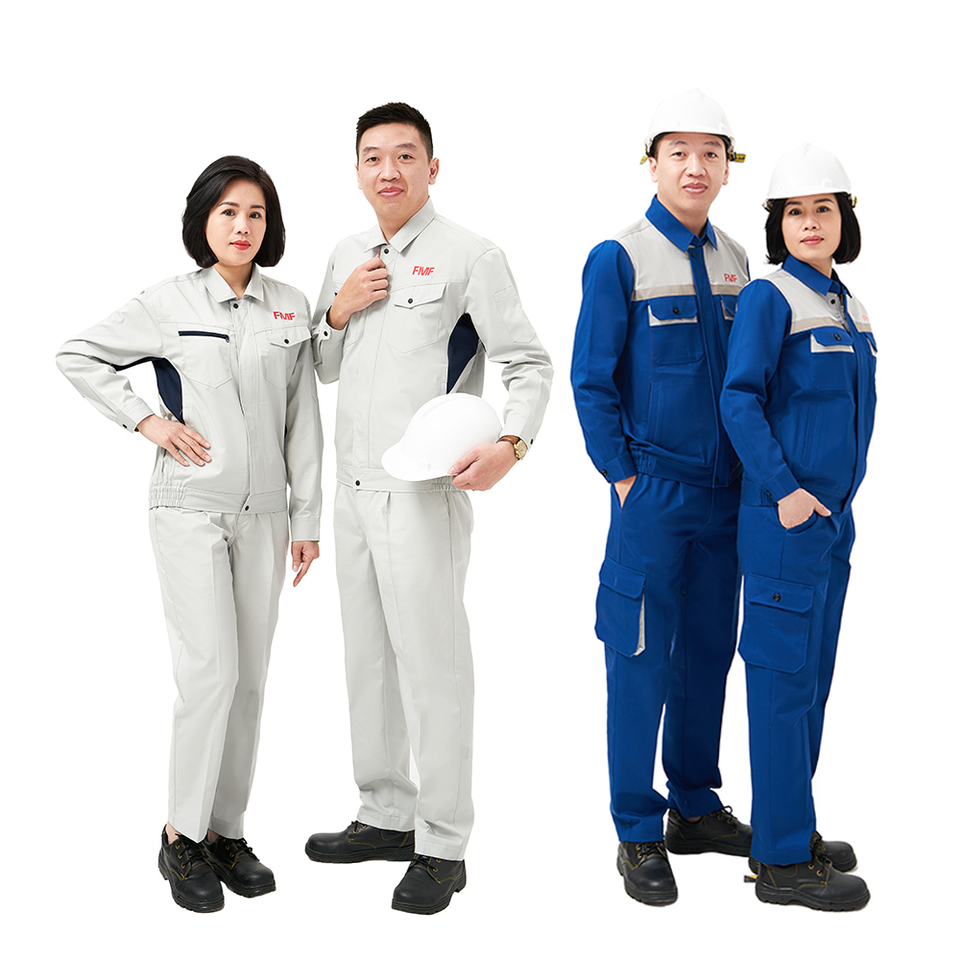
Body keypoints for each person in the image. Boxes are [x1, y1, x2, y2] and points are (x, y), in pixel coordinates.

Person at [304, 102, 552, 915]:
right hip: (352, 492)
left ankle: (443, 843)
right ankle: (385, 812)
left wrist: (512, 444)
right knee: (368, 660)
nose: (389, 170)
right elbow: (323, 366)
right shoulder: (346, 253)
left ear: (432, 168)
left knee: (433, 667)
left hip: (421, 493)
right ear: (356, 171)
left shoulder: (471, 255)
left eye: (405, 155)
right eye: (373, 157)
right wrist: (337, 309)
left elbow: (527, 362)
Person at [56, 157, 322, 913]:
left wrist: (306, 518)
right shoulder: (168, 301)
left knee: (250, 680)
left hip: (266, 514)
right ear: (203, 220)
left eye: (256, 214)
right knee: (210, 673)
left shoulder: (289, 307)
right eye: (228, 211)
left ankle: (225, 832)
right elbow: (77, 354)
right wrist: (147, 421)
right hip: (190, 507)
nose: (242, 226)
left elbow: (303, 417)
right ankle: (180, 835)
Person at [571, 89, 751, 906]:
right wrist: (623, 477)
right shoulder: (621, 257)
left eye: (711, 152)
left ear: (727, 168)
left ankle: (696, 805)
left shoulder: (739, 261)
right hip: (653, 496)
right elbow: (591, 379)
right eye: (678, 152)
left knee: (709, 652)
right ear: (652, 164)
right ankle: (637, 829)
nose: (695, 166)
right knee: (639, 659)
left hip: (729, 498)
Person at [720, 144, 874, 911]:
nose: (809, 222)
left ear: (845, 220)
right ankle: (780, 861)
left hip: (830, 525)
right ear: (777, 225)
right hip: (785, 521)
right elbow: (739, 398)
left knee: (810, 683)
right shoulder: (770, 296)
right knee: (782, 688)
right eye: (794, 212)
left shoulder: (847, 305)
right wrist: (784, 491)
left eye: (823, 209)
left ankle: (791, 825)